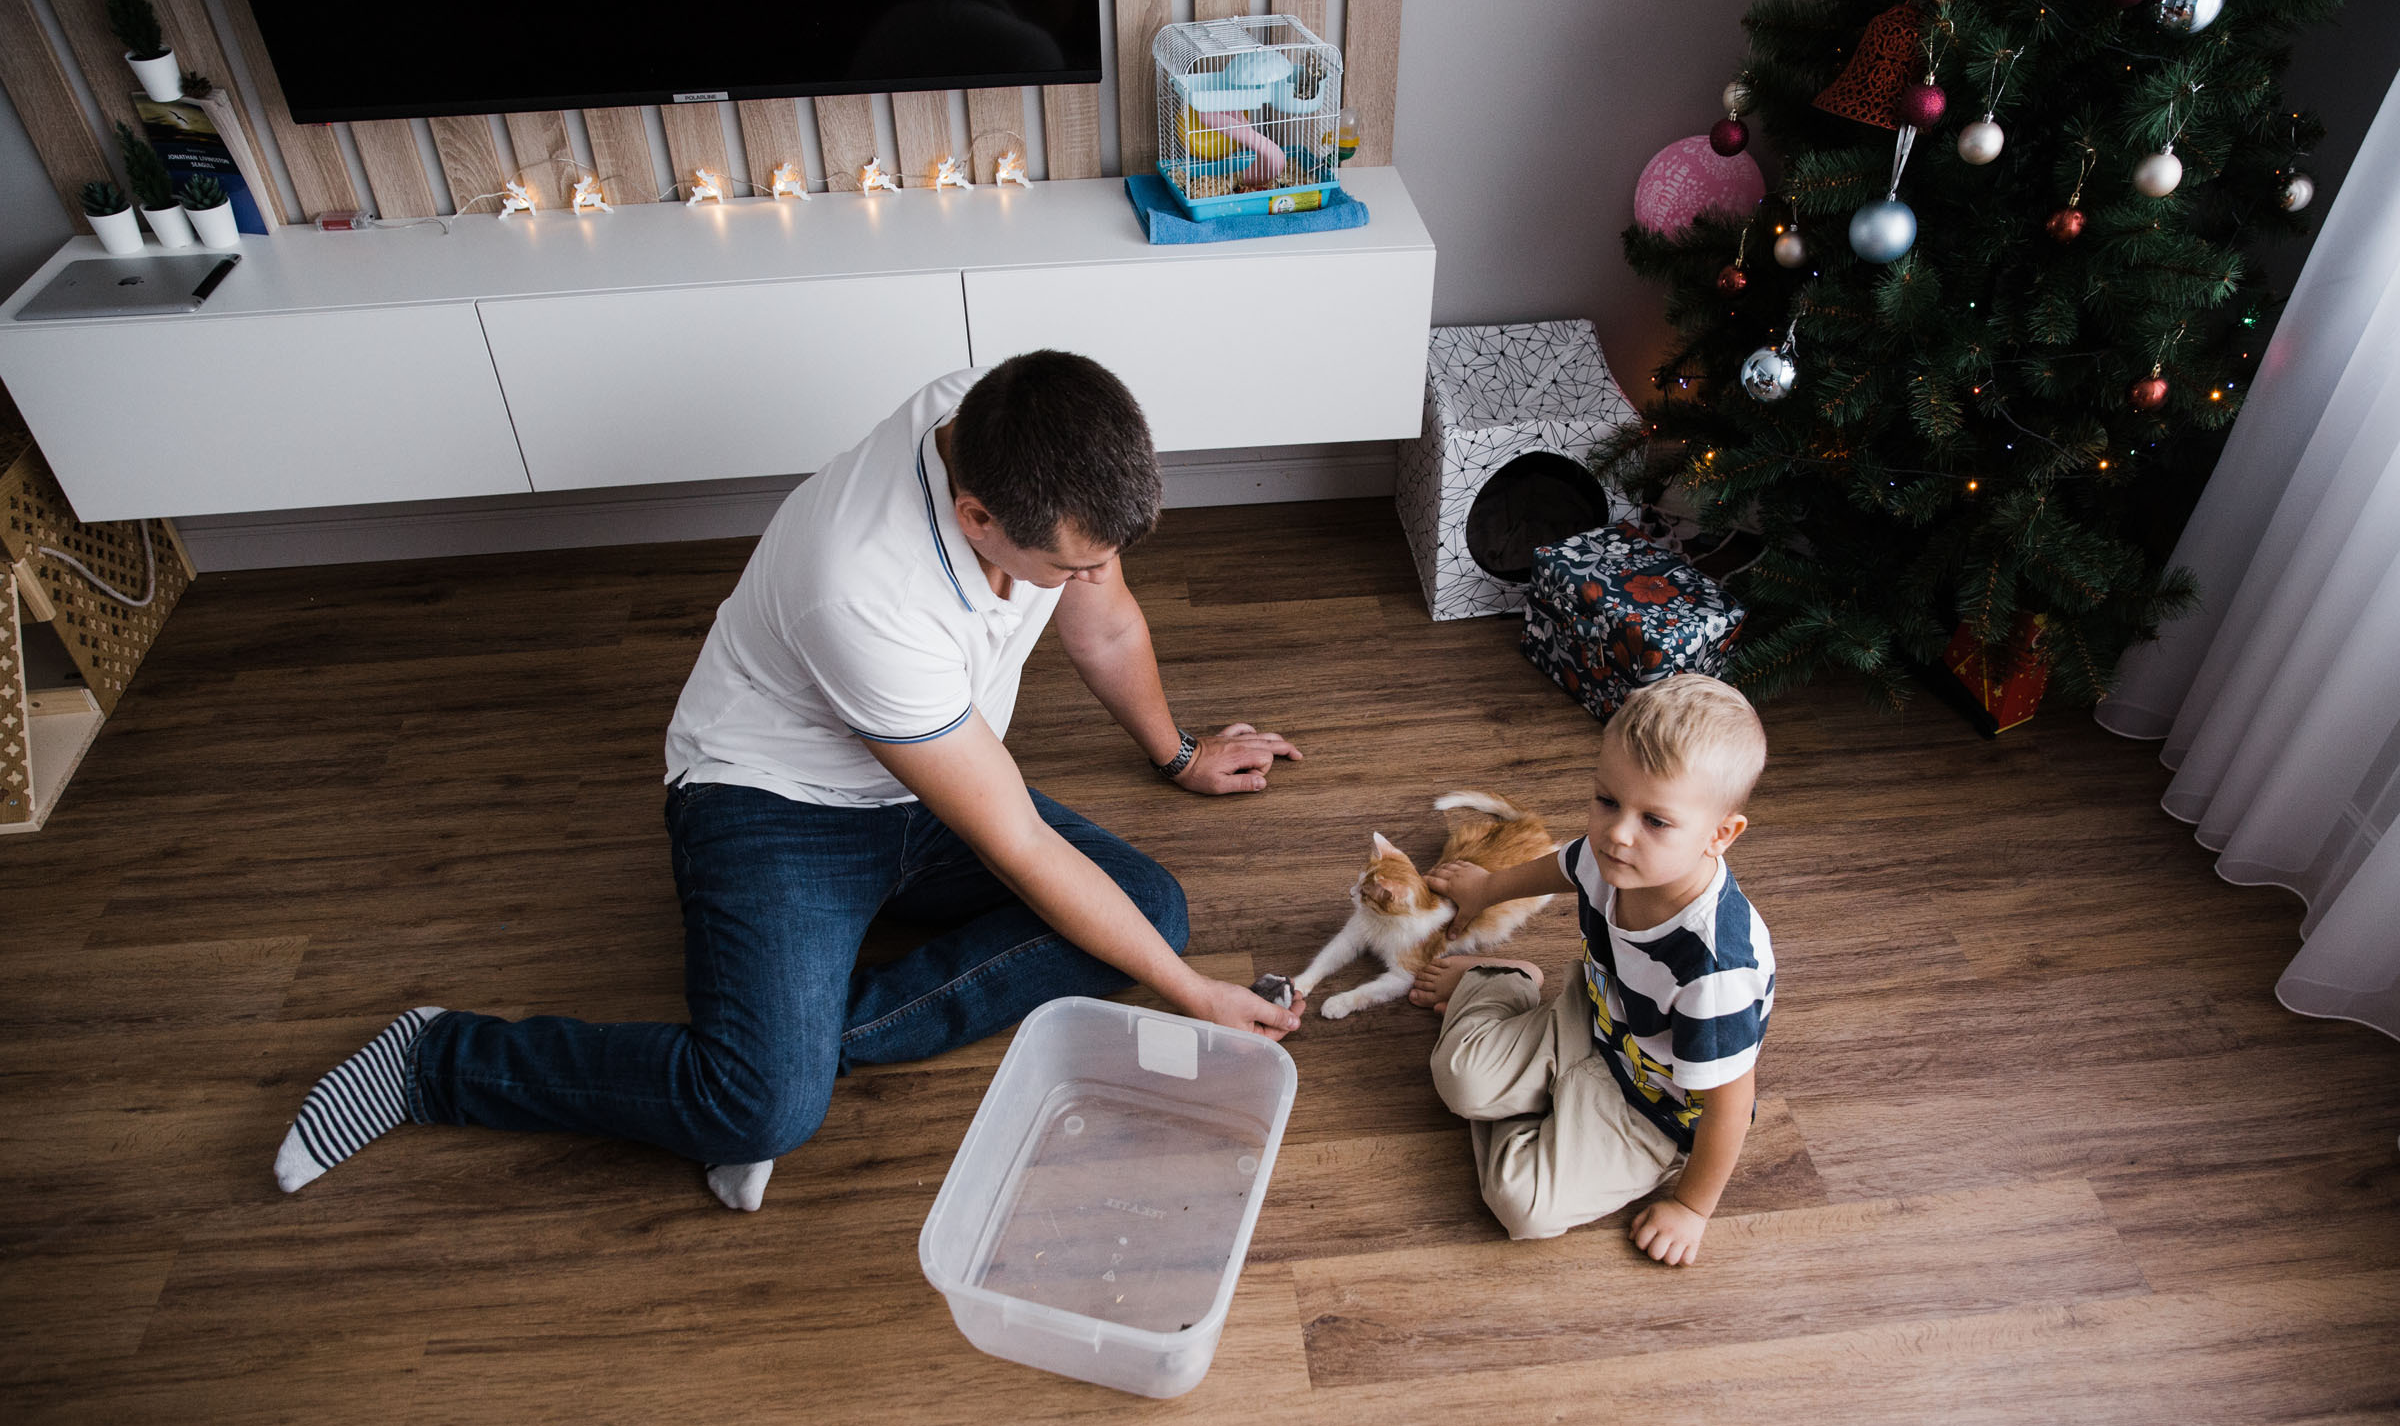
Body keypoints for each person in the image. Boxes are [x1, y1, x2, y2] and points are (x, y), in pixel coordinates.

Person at [272, 351, 1304, 1211]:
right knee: (758, 1111)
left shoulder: (1016, 430)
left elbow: (1105, 619)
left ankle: (797, 1041)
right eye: (1066, 565)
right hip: (774, 806)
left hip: (939, 774)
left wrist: (1179, 752)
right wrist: (1189, 997)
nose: (1090, 577)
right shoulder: (862, 587)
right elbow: (1018, 844)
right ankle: (434, 1062)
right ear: (977, 514)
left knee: (1153, 909)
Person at [1407, 674, 1774, 1263]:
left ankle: (1549, 1117)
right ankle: (1503, 980)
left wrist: (1691, 1207)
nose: (1617, 834)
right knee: (1457, 1077)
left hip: (1653, 1106)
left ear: (1720, 835)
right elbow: (1564, 865)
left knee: (1519, 1204)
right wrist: (1487, 889)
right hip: (1593, 1017)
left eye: (1656, 820)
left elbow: (1731, 1109)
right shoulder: (1611, 857)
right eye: (1607, 800)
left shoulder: (1715, 972)